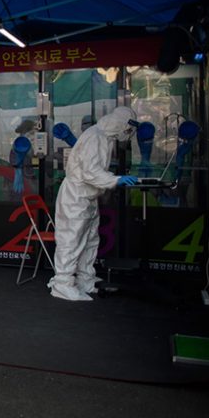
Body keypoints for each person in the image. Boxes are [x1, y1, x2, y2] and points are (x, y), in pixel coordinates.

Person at [48, 106, 138, 302]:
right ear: (120, 124)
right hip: (76, 196)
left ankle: (85, 279)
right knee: (71, 240)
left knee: (89, 239)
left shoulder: (104, 137)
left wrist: (113, 178)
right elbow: (90, 172)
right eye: (129, 129)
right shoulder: (94, 137)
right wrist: (116, 179)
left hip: (87, 196)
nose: (129, 134)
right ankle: (62, 283)